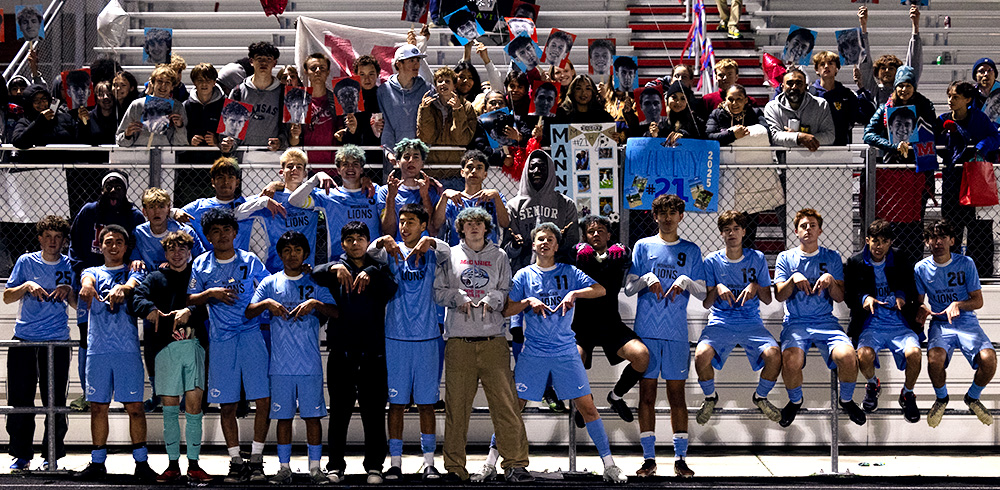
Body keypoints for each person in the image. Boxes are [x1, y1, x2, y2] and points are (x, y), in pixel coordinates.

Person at [504, 222, 627, 483]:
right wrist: (527, 302)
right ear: (533, 244)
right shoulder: (523, 275)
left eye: (550, 239)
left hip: (565, 352)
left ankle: (609, 465)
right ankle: (491, 464)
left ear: (557, 246)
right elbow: (506, 309)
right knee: (513, 410)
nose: (545, 243)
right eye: (540, 239)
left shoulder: (569, 271)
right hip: (534, 352)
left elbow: (600, 290)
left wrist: (574, 293)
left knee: (588, 407)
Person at [434, 207, 532, 482]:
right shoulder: (450, 255)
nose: (474, 228)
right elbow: (438, 292)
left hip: (493, 341)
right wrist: (459, 297)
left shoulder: (499, 256)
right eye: (468, 224)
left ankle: (515, 464)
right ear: (460, 228)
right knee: (457, 408)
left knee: (506, 406)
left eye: (479, 223)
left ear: (486, 228)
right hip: (459, 342)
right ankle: (455, 468)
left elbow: (505, 289)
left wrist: (493, 300)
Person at [186, 207, 272, 483]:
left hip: (251, 335)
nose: (222, 235)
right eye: (215, 231)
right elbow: (191, 298)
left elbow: (269, 285)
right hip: (222, 340)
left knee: (263, 399)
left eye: (226, 230)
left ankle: (257, 459)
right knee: (227, 404)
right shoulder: (201, 264)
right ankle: (236, 461)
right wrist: (209, 293)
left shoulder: (250, 260)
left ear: (235, 232)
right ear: (208, 236)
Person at [246, 231, 337, 485]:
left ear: (305, 254)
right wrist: (267, 305)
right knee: (282, 418)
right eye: (286, 250)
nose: (292, 254)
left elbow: (336, 312)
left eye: (297, 250)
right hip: (280, 366)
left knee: (312, 417)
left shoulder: (315, 282)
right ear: (280, 254)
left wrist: (315, 304)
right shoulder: (270, 283)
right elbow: (249, 311)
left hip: (309, 364)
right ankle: (284, 468)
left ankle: (315, 469)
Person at [368, 204, 450, 481]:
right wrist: (383, 239)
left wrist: (431, 240)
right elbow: (369, 251)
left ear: (423, 225)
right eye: (402, 222)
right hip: (395, 337)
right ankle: (396, 462)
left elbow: (448, 251)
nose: (404, 227)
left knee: (427, 403)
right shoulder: (390, 251)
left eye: (411, 222)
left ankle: (429, 462)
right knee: (397, 404)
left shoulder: (432, 252)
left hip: (427, 336)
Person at [624, 194, 705, 478]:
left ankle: (680, 458)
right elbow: (629, 288)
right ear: (654, 216)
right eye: (662, 213)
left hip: (676, 334)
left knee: (676, 397)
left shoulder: (692, 250)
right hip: (647, 332)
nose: (668, 217)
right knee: (646, 396)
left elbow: (704, 292)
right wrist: (647, 278)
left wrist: (686, 281)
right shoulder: (643, 246)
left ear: (681, 216)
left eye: (673, 212)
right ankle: (649, 459)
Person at [311, 222, 396, 484]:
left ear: (367, 242)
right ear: (343, 243)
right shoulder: (337, 268)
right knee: (339, 411)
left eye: (360, 238)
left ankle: (375, 467)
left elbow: (392, 288)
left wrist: (370, 270)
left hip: (373, 352)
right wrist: (335, 266)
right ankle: (335, 466)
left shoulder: (379, 268)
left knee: (373, 412)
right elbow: (314, 272)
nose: (355, 243)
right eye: (350, 239)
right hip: (341, 351)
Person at [74, 225, 156, 482]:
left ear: (126, 245)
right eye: (108, 241)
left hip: (126, 350)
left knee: (135, 408)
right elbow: (86, 280)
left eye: (119, 241)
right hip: (98, 350)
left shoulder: (134, 269)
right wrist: (87, 287)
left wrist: (124, 288)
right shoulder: (92, 271)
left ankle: (141, 464)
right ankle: (98, 463)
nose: (113, 246)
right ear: (100, 246)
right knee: (98, 407)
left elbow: (134, 282)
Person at [129, 231, 212, 483]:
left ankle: (195, 464)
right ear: (165, 253)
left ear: (190, 252)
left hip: (194, 346)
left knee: (194, 408)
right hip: (164, 350)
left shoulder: (199, 277)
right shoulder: (155, 277)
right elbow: (137, 299)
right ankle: (173, 464)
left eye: (182, 249)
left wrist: (191, 310)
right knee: (169, 410)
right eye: (172, 249)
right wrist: (150, 310)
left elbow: (210, 303)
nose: (177, 254)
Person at [774, 208, 866, 427]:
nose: (808, 229)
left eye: (812, 226)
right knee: (790, 360)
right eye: (803, 226)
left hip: (826, 321)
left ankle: (846, 400)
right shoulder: (785, 258)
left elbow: (840, 296)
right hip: (796, 322)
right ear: (796, 231)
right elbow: (779, 295)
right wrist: (792, 279)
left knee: (848, 356)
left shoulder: (831, 257)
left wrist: (831, 280)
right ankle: (795, 401)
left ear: (820, 230)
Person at [695, 210, 782, 425]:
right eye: (727, 230)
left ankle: (760, 396)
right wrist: (717, 288)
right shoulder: (712, 261)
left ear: (744, 231)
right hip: (721, 321)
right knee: (701, 355)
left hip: (750, 321)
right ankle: (710, 397)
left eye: (736, 229)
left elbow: (768, 300)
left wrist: (754, 286)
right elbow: (707, 303)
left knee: (774, 355)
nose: (731, 233)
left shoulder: (757, 258)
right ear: (721, 234)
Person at [3, 216, 76, 472]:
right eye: (48, 237)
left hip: (56, 341)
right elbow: (7, 297)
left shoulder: (70, 265)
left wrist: (69, 291)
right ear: (40, 239)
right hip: (24, 340)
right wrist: (26, 285)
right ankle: (21, 456)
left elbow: (80, 304)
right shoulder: (26, 262)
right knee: (21, 400)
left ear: (64, 241)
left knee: (54, 401)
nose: (52, 242)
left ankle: (52, 455)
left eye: (58, 237)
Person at [915, 220, 996, 428]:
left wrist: (958, 304)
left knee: (989, 359)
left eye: (942, 237)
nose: (938, 241)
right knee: (934, 360)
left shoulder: (966, 263)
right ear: (926, 242)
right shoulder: (921, 268)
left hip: (966, 321)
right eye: (933, 237)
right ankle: (942, 399)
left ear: (952, 240)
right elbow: (919, 302)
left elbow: (978, 301)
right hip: (941, 323)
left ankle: (972, 397)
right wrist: (921, 311)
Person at [572, 215, 650, 424]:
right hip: (582, 325)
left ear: (609, 234)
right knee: (572, 361)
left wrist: (623, 250)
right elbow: (564, 256)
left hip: (610, 324)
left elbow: (628, 258)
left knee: (641, 356)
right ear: (585, 236)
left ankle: (616, 397)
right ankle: (584, 403)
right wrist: (578, 249)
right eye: (591, 231)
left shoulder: (617, 254)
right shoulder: (578, 255)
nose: (596, 234)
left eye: (600, 231)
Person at [843, 219, 922, 423]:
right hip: (871, 324)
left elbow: (912, 287)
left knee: (915, 354)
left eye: (884, 241)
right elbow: (849, 295)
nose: (879, 246)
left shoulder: (901, 257)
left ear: (890, 242)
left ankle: (907, 393)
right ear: (867, 240)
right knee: (864, 355)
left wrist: (901, 295)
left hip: (899, 324)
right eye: (875, 241)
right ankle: (872, 384)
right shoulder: (855, 262)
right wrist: (864, 298)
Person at [862, 65, 938, 268]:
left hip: (918, 172)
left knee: (915, 223)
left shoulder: (925, 106)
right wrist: (893, 146)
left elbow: (934, 132)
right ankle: (889, 265)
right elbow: (868, 133)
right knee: (892, 222)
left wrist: (916, 143)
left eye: (908, 86)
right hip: (892, 175)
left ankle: (914, 266)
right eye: (900, 86)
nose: (904, 90)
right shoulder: (885, 107)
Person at [937, 80, 1000, 261]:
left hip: (974, 176)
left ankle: (980, 269)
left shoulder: (979, 118)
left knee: (977, 224)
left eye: (955, 97)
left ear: (968, 99)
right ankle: (951, 262)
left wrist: (980, 148)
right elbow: (931, 141)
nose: (950, 100)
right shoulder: (942, 120)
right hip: (952, 177)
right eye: (949, 96)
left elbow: (994, 137)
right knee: (951, 223)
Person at [289, 146, 382, 259]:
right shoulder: (328, 195)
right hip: (339, 262)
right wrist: (316, 177)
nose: (350, 168)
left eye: (355, 164)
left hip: (373, 259)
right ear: (338, 170)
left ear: (362, 169)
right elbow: (294, 201)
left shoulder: (375, 191)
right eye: (345, 164)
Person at [181, 157, 280, 255]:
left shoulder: (249, 204)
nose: (226, 182)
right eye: (220, 177)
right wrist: (174, 212)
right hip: (210, 265)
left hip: (240, 263)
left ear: (237, 182)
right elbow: (172, 214)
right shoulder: (199, 206)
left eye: (230, 177)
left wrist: (274, 185)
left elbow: (285, 187)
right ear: (213, 182)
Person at [504, 149, 579, 271]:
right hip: (523, 271)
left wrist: (562, 242)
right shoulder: (514, 205)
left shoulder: (566, 204)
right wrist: (515, 245)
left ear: (550, 171)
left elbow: (573, 246)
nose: (537, 171)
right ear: (526, 171)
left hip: (557, 270)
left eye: (542, 167)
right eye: (532, 167)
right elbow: (507, 251)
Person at [245, 149, 319, 272]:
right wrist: (262, 201)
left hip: (306, 269)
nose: (294, 169)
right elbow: (237, 212)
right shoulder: (270, 197)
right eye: (290, 166)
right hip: (274, 269)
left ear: (305, 173)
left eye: (299, 167)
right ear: (281, 172)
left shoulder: (315, 196)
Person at [432, 150, 509, 246]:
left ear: (485, 174)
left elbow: (505, 223)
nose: (474, 171)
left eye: (479, 168)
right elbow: (436, 224)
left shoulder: (495, 197)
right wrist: (444, 197)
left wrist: (497, 197)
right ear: (462, 172)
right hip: (459, 254)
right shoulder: (453, 199)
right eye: (470, 167)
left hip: (488, 253)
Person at [226, 41, 288, 152]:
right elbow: (230, 133)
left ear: (274, 63)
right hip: (244, 157)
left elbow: (292, 134)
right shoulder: (238, 92)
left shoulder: (285, 92)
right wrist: (228, 144)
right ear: (251, 61)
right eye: (259, 58)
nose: (264, 63)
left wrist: (281, 142)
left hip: (276, 157)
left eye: (268, 59)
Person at [857, 5, 922, 108]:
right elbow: (864, 61)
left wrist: (915, 27)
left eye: (891, 68)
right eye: (883, 68)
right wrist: (863, 27)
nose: (887, 70)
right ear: (876, 73)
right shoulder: (873, 90)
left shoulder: (905, 90)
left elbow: (913, 63)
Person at [378, 139, 442, 239]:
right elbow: (388, 232)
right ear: (398, 162)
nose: (411, 160)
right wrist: (390, 197)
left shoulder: (433, 191)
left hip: (424, 249)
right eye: (406, 157)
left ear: (422, 163)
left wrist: (425, 196)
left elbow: (432, 230)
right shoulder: (385, 191)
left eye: (416, 157)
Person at [378, 44, 430, 168]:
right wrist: (388, 152)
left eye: (418, 60)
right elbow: (386, 126)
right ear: (398, 64)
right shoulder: (384, 91)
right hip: (395, 157)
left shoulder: (427, 89)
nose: (416, 64)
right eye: (411, 60)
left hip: (421, 158)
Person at [764, 68, 835, 151]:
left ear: (805, 86)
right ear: (782, 86)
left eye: (799, 83)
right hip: (783, 161)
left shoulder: (821, 105)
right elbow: (773, 137)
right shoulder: (772, 107)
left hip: (816, 159)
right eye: (790, 83)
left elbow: (830, 136)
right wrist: (799, 137)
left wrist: (796, 138)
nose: (794, 87)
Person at [416, 67, 477, 163]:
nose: (443, 84)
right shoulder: (429, 106)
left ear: (455, 86)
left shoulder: (466, 107)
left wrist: (458, 110)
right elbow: (426, 137)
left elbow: (462, 139)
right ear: (435, 86)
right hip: (432, 166)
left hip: (456, 167)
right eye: (440, 81)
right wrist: (424, 110)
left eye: (447, 81)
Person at [116, 66, 188, 146]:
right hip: (138, 155)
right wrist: (127, 134)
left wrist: (180, 127)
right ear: (153, 83)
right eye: (160, 81)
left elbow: (181, 144)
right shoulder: (137, 105)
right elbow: (119, 140)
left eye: (167, 82)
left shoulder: (177, 107)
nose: (163, 86)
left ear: (172, 87)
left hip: (167, 156)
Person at [809, 51, 862, 145]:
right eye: (822, 64)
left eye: (830, 63)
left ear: (837, 68)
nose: (826, 66)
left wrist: (861, 87)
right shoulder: (809, 94)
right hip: (814, 146)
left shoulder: (847, 94)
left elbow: (863, 117)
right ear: (816, 70)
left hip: (840, 146)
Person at [299, 53, 341, 166]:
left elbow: (344, 134)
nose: (318, 71)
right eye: (313, 68)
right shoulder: (298, 101)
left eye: (322, 68)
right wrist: (294, 134)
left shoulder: (337, 100)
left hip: (334, 166)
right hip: (306, 166)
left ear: (328, 72)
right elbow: (293, 140)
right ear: (306, 71)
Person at [183, 63, 226, 152]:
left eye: (208, 80)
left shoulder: (225, 105)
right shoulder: (186, 106)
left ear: (214, 82)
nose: (204, 84)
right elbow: (180, 133)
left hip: (218, 159)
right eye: (200, 80)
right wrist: (189, 141)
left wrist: (217, 141)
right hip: (191, 159)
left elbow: (231, 136)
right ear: (194, 82)